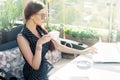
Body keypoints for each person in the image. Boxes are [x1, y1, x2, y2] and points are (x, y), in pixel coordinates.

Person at [17, 0, 96, 80]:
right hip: (34, 76)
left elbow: (58, 46)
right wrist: (39, 44)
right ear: (32, 16)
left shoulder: (39, 29)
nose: (44, 18)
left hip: (46, 70)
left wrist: (82, 51)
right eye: (42, 15)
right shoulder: (21, 37)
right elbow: (35, 66)